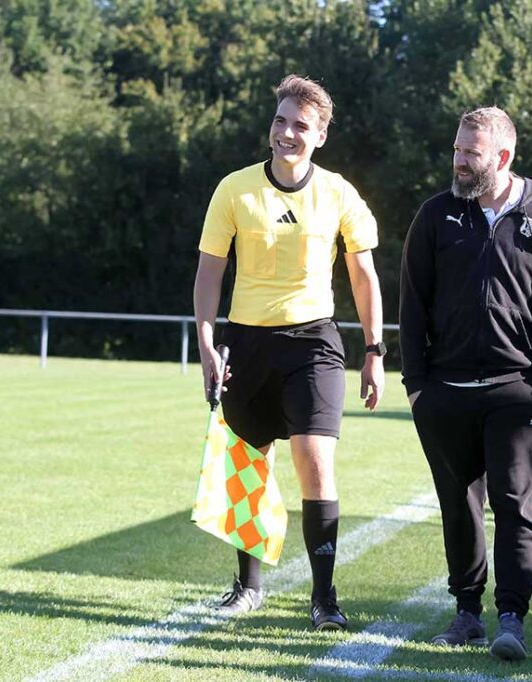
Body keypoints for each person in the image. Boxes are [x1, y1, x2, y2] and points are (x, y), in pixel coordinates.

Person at [193, 74, 385, 630]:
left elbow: (364, 275)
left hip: (314, 343)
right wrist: (207, 340)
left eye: (300, 125)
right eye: (280, 120)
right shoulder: (234, 189)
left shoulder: (340, 194)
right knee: (248, 467)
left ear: (320, 135)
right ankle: (246, 588)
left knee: (315, 462)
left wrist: (374, 349)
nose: (286, 133)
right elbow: (210, 273)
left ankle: (324, 599)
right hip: (245, 343)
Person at [399, 106, 532, 662]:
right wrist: (417, 387)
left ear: (502, 157)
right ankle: (467, 613)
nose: (458, 162)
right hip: (445, 392)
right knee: (459, 505)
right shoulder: (434, 216)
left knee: (514, 505)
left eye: (469, 153)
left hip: (515, 390)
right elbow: (412, 304)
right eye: (456, 150)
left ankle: (512, 619)